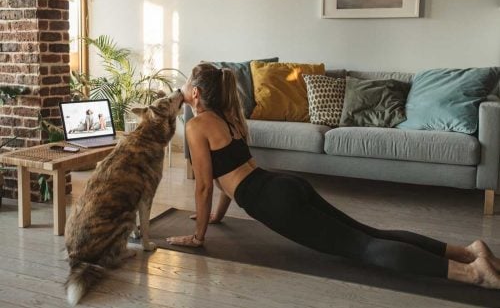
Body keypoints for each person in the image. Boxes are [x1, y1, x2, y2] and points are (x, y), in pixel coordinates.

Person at [167, 63, 500, 289]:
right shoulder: (228, 116)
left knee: (363, 248)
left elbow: (206, 184)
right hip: (281, 184)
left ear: (195, 92)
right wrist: (216, 217)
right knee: (371, 233)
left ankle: (472, 273)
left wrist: (198, 237)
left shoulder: (196, 125)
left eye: (185, 85)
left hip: (270, 200)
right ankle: (468, 250)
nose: (181, 89)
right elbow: (231, 174)